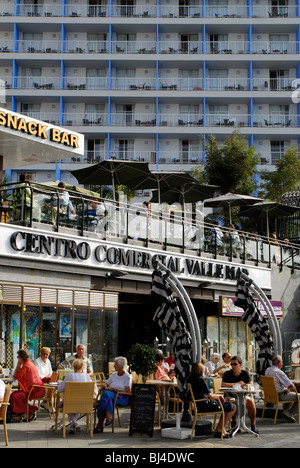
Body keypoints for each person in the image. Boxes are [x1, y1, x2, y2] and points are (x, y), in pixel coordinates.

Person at [187, 362, 236, 438]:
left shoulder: (189, 379)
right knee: (233, 407)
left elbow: (188, 395)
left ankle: (221, 429)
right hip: (205, 405)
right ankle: (219, 429)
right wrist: (219, 395)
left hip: (198, 406)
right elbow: (210, 395)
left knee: (225, 407)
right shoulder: (200, 380)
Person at [222, 355, 259, 434]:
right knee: (233, 403)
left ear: (240, 365)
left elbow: (250, 383)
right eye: (231, 364)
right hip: (230, 396)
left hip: (243, 396)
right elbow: (223, 385)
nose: (233, 366)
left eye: (235, 364)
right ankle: (234, 423)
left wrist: (243, 385)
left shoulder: (244, 373)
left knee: (251, 402)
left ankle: (253, 425)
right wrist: (237, 383)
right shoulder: (227, 373)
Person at [94, 356, 132, 434]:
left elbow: (128, 393)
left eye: (115, 365)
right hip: (111, 397)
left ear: (121, 367)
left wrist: (113, 389)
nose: (114, 366)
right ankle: (108, 418)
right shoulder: (114, 375)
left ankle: (100, 424)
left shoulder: (127, 377)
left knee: (106, 396)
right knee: (107, 397)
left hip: (122, 397)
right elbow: (106, 384)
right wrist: (104, 386)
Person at [57, 358, 92, 434]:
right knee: (75, 406)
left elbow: (59, 390)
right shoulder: (87, 376)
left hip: (70, 403)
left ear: (73, 367)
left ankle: (74, 423)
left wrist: (63, 382)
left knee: (69, 404)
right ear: (82, 367)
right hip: (84, 403)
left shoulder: (69, 376)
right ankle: (72, 426)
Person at [9, 349, 45, 422]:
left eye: (18, 357)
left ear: (21, 357)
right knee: (16, 394)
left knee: (14, 395)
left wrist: (18, 365)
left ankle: (30, 410)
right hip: (36, 389)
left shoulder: (26, 366)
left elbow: (16, 376)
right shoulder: (29, 363)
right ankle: (21, 413)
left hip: (34, 391)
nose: (17, 358)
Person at [265, 355, 299, 423]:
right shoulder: (279, 372)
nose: (283, 363)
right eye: (282, 362)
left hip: (270, 396)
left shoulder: (268, 370)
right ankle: (289, 413)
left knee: (289, 393)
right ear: (279, 363)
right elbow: (291, 385)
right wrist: (293, 388)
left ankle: (286, 412)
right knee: (297, 395)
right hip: (280, 395)